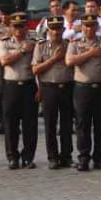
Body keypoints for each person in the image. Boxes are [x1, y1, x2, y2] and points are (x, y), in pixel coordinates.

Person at [65, 15, 101, 171]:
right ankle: (83, 158)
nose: (89, 28)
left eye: (92, 25)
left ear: (97, 27)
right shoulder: (75, 43)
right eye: (86, 26)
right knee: (82, 124)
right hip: (82, 88)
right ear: (82, 27)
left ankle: (99, 157)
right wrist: (90, 53)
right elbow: (69, 61)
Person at [32, 10, 75, 169]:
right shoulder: (41, 46)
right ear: (48, 31)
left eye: (58, 28)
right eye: (53, 29)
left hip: (67, 87)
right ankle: (52, 157)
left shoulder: (69, 46)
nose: (56, 32)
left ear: (63, 30)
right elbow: (36, 69)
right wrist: (54, 59)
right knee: (50, 124)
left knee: (66, 124)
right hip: (49, 87)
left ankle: (66, 156)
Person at [0, 14, 39, 169]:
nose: (18, 29)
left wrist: (39, 88)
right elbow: (4, 61)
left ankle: (28, 157)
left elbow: (38, 67)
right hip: (11, 85)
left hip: (29, 85)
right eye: (15, 26)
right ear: (10, 27)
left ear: (26, 26)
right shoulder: (4, 43)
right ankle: (12, 157)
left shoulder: (34, 43)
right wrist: (22, 51)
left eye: (21, 26)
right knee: (10, 124)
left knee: (30, 124)